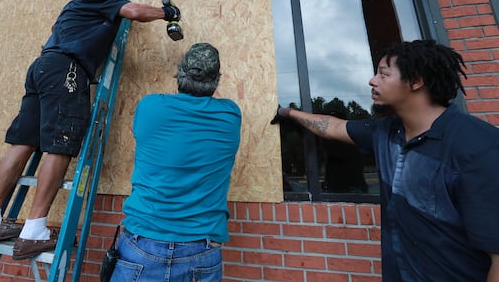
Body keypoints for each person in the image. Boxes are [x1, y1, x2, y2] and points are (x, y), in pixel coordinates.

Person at [0, 0, 182, 260]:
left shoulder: (77, 3)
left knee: (23, 143)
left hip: (42, 66)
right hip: (66, 69)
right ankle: (34, 230)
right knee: (61, 144)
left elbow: (55, 28)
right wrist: (167, 13)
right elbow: (134, 12)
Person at [276, 39, 499, 281]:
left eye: (384, 75)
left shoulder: (478, 146)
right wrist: (288, 112)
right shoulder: (386, 132)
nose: (372, 81)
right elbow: (334, 127)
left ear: (416, 81)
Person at [110, 42, 242, 282]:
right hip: (201, 250)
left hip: (142, 243)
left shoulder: (150, 106)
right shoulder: (230, 115)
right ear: (216, 80)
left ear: (179, 74)